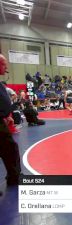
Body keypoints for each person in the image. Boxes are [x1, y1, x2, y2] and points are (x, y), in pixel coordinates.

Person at [0, 54, 22, 186]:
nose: (6, 66)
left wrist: (7, 115)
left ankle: (14, 176)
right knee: (10, 148)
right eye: (4, 63)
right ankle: (14, 176)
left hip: (2, 121)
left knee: (10, 148)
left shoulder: (2, 85)